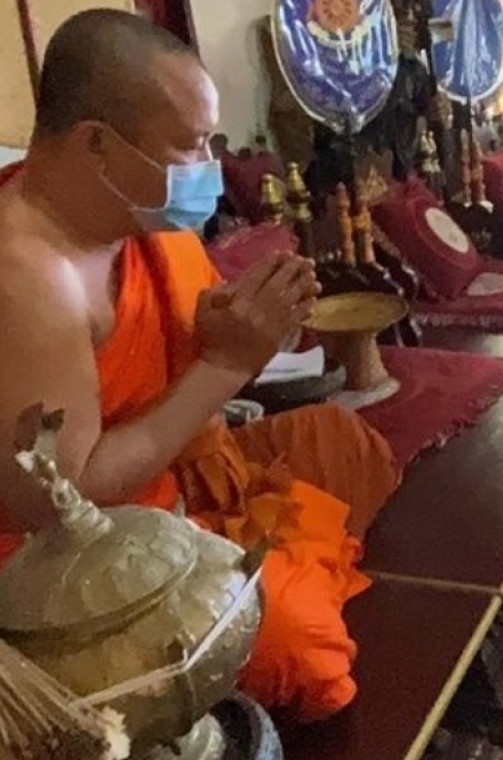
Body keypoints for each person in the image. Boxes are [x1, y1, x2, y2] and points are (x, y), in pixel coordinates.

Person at [0, 10, 401, 722]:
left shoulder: (130, 218)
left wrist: (217, 332)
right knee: (308, 656)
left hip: (181, 477)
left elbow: (178, 354)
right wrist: (224, 365)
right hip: (89, 568)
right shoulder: (31, 277)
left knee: (346, 442)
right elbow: (63, 503)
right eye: (190, 145)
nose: (209, 166)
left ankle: (269, 561)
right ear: (96, 144)